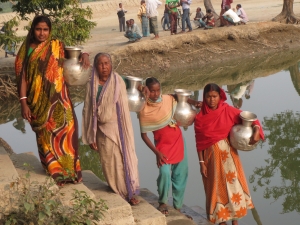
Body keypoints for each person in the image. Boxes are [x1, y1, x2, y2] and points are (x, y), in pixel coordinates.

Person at [15, 15, 90, 186]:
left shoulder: (56, 45)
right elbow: (22, 78)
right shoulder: (25, 49)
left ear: (50, 30)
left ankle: (70, 172)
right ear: (33, 29)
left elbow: (72, 56)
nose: (42, 33)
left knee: (68, 132)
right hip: (37, 102)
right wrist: (23, 103)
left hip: (60, 99)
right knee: (46, 136)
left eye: (45, 30)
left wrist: (84, 55)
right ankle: (55, 172)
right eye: (38, 29)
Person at [194, 83, 264, 225]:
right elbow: (199, 143)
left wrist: (256, 129)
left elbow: (249, 118)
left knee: (233, 188)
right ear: (204, 97)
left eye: (214, 96)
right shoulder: (200, 118)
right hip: (211, 159)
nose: (211, 100)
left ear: (220, 97)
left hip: (229, 158)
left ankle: (235, 221)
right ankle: (222, 221)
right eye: (208, 97)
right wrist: (201, 163)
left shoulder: (227, 110)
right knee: (217, 189)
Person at [82, 53, 144, 205]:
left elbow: (133, 85)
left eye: (107, 63)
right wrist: (91, 136)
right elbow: (88, 110)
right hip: (102, 131)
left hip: (120, 129)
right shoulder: (92, 83)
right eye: (101, 64)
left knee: (127, 159)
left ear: (111, 64)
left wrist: (143, 88)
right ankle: (119, 190)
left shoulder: (118, 80)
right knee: (110, 162)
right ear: (96, 66)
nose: (104, 67)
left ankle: (129, 193)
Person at [138, 77, 201, 216]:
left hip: (178, 140)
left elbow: (178, 97)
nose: (155, 94)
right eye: (152, 91)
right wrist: (157, 153)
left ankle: (178, 207)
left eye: (158, 90)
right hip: (162, 146)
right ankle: (162, 202)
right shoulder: (144, 109)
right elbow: (144, 135)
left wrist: (193, 102)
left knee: (180, 174)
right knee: (165, 173)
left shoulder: (167, 99)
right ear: (147, 90)